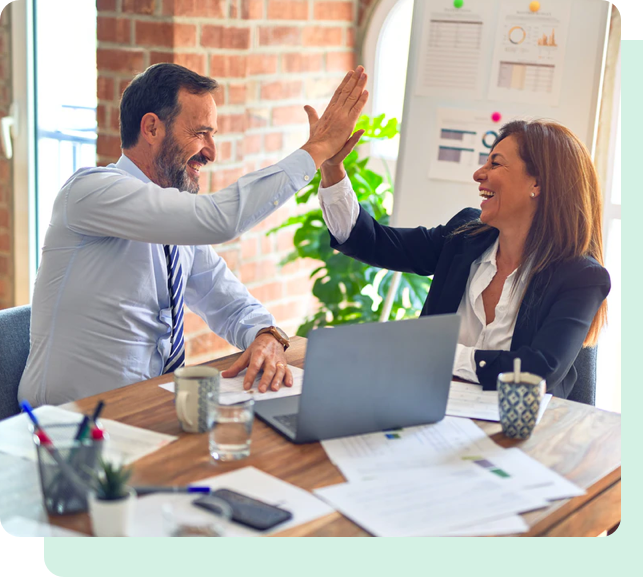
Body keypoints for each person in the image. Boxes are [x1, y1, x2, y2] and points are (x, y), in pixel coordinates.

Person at [19, 63, 368, 406]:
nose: (211, 152)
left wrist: (266, 334)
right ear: (152, 128)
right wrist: (317, 150)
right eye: (201, 133)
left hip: (145, 412)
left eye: (212, 135)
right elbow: (219, 220)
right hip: (65, 424)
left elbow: (227, 300)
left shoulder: (174, 224)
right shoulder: (91, 192)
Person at [317, 119, 610, 398]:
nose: (479, 174)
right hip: (430, 410)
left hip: (521, 427)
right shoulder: (464, 236)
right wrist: (332, 167)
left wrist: (440, 354)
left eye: (495, 163)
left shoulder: (581, 277)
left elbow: (538, 371)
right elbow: (372, 242)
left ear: (537, 184)